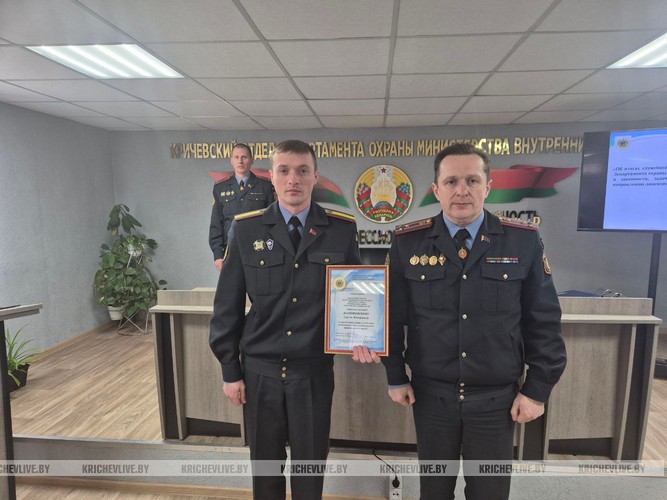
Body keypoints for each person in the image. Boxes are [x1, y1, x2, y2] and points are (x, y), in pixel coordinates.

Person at [381, 143, 566, 499]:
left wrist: (537, 389)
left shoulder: (522, 240)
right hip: (432, 399)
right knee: (434, 492)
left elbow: (543, 320)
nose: (461, 191)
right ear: (436, 190)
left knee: (490, 493)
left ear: (488, 186)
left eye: (472, 180)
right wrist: (394, 374)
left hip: (496, 401)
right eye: (451, 181)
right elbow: (391, 315)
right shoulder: (408, 243)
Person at [209, 140, 375, 500]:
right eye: (283, 170)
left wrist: (363, 335)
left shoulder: (340, 229)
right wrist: (230, 371)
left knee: (310, 470)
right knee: (265, 472)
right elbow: (227, 306)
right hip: (260, 372)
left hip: (312, 373)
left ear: (315, 176)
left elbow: (354, 296)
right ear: (271, 176)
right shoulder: (246, 229)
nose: (293, 179)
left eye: (302, 171)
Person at [209, 142, 273, 271]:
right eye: (236, 157)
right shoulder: (220, 188)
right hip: (230, 250)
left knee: (258, 283)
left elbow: (272, 221)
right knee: (232, 284)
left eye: (244, 157)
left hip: (258, 249)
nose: (240, 161)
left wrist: (271, 250)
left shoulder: (265, 186)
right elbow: (216, 224)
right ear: (231, 160)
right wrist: (218, 255)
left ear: (251, 160)